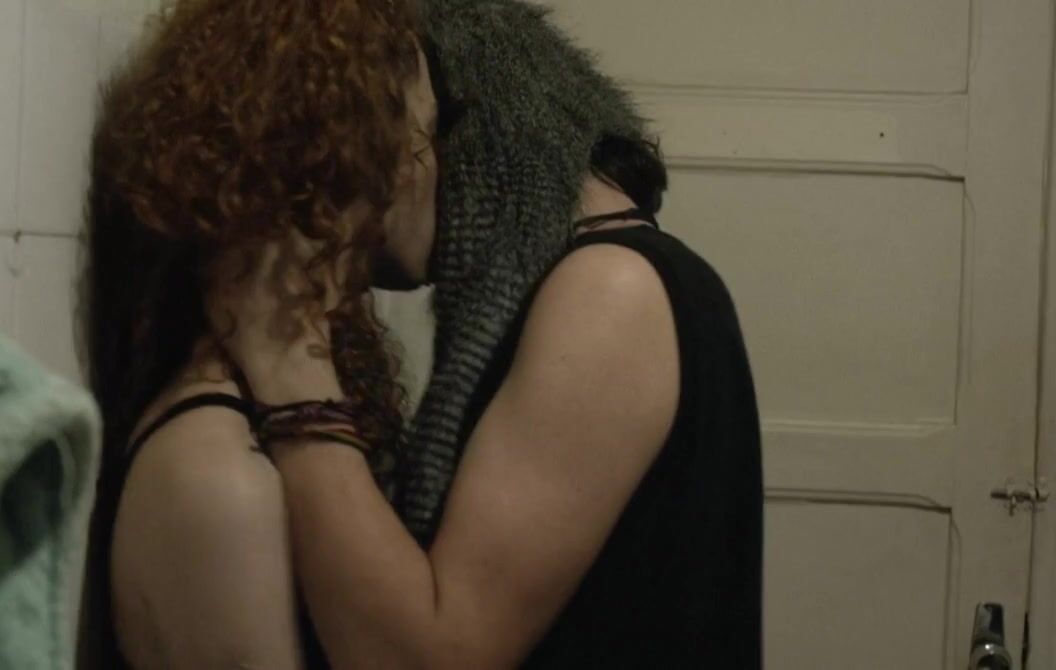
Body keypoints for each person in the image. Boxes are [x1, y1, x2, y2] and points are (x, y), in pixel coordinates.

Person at [214, 0, 765, 668]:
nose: (342, 224)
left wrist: (282, 350)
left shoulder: (610, 290)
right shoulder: (598, 279)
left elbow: (430, 657)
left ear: (452, 128)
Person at [76, 1, 430, 667]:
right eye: (423, 136)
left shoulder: (273, 412)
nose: (433, 168)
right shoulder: (220, 479)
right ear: (349, 160)